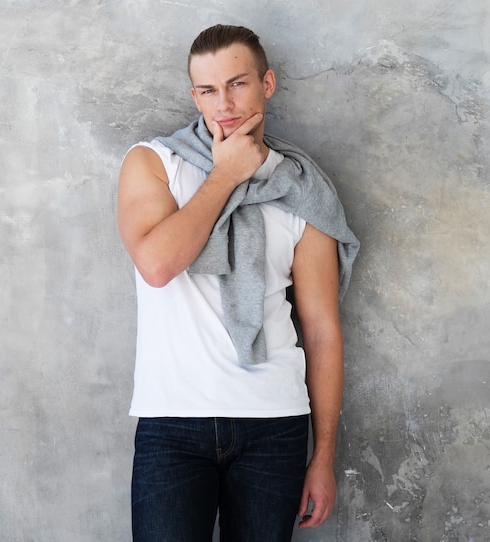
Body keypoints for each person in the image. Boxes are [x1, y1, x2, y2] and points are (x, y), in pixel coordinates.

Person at [117, 23, 359, 542]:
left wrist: (323, 457)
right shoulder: (155, 163)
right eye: (208, 89)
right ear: (194, 96)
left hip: (274, 422)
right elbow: (157, 265)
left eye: (238, 83)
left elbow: (321, 331)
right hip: (173, 422)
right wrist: (226, 175)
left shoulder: (300, 186)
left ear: (267, 83)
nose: (223, 103)